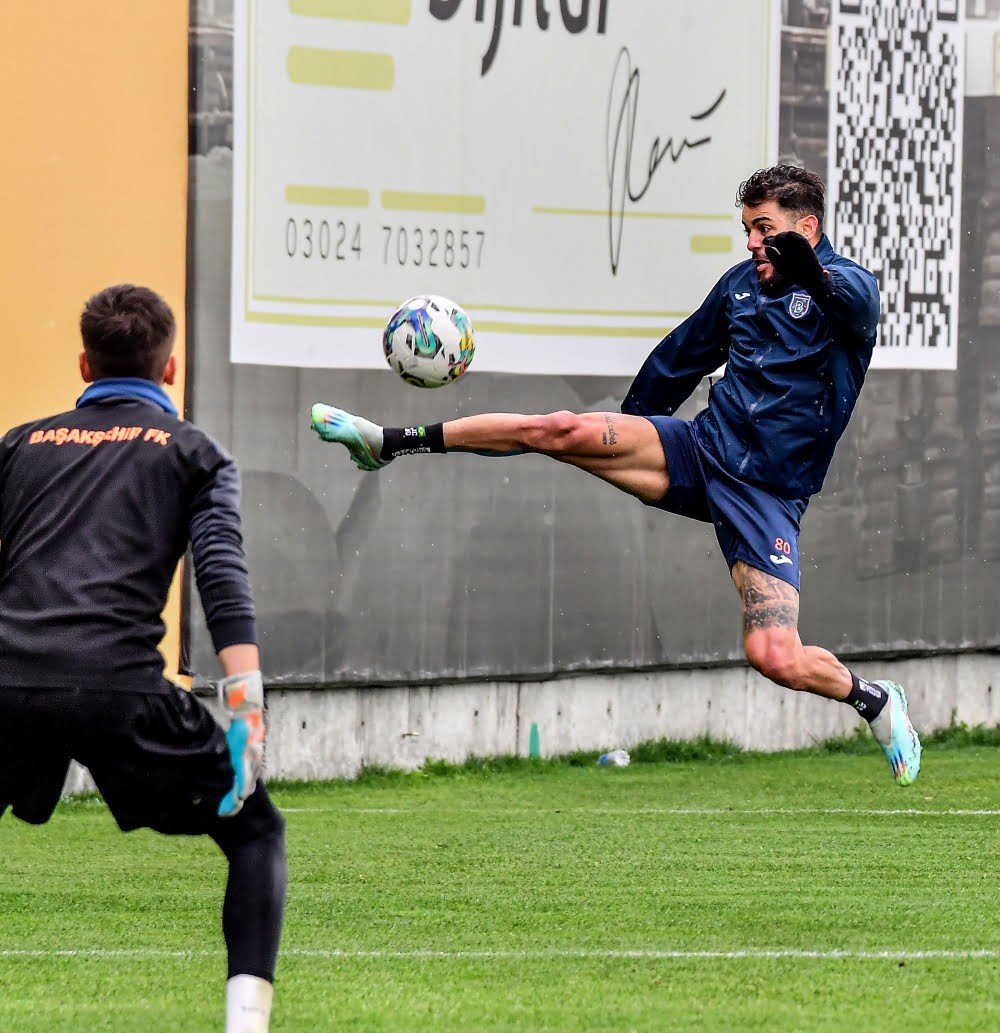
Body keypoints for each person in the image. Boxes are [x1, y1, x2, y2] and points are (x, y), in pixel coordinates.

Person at [311, 164, 922, 785]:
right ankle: (387, 442)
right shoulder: (739, 286)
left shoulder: (846, 287)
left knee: (773, 655)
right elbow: (677, 360)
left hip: (766, 494)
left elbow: (853, 308)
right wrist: (628, 432)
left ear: (807, 228)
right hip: (700, 450)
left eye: (765, 230)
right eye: (747, 229)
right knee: (561, 431)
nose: (752, 243)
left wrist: (809, 271)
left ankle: (875, 701)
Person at [0, 285, 286, 1033]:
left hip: (6, 684)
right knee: (255, 831)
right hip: (118, 690)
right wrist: (245, 706)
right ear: (171, 368)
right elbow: (220, 570)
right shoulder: (194, 451)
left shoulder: (19, 445)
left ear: (84, 363)